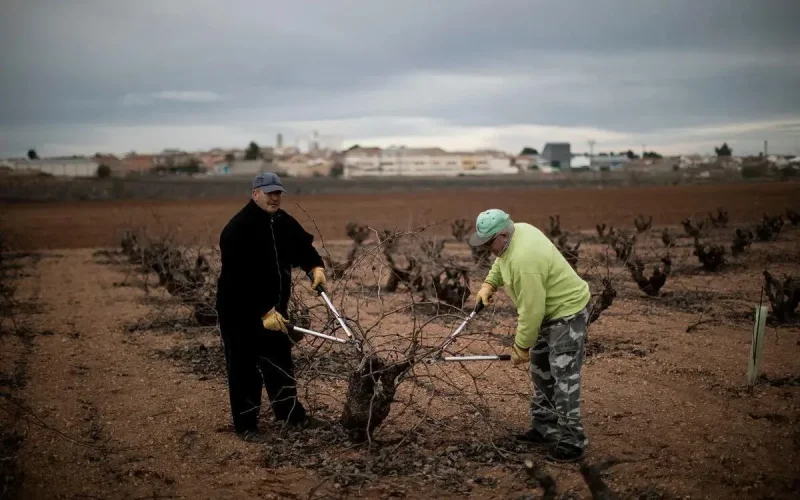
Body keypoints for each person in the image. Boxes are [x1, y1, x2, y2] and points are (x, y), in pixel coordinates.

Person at [468, 209, 592, 462]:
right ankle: (544, 427)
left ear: (503, 234)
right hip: (547, 313)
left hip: (566, 315)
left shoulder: (525, 261)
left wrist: (521, 346)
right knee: (541, 370)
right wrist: (489, 284)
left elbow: (531, 312)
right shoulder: (517, 232)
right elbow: (501, 261)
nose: (487, 248)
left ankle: (572, 442)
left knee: (564, 378)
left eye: (489, 242)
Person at [215, 172, 326, 442]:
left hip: (274, 311)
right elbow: (238, 280)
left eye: (277, 193)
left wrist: (315, 266)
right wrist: (263, 310)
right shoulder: (237, 229)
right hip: (240, 312)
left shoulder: (281, 221)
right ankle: (247, 426)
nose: (274, 198)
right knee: (245, 369)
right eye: (268, 193)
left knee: (279, 363)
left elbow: (302, 246)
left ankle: (291, 416)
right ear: (255, 194)